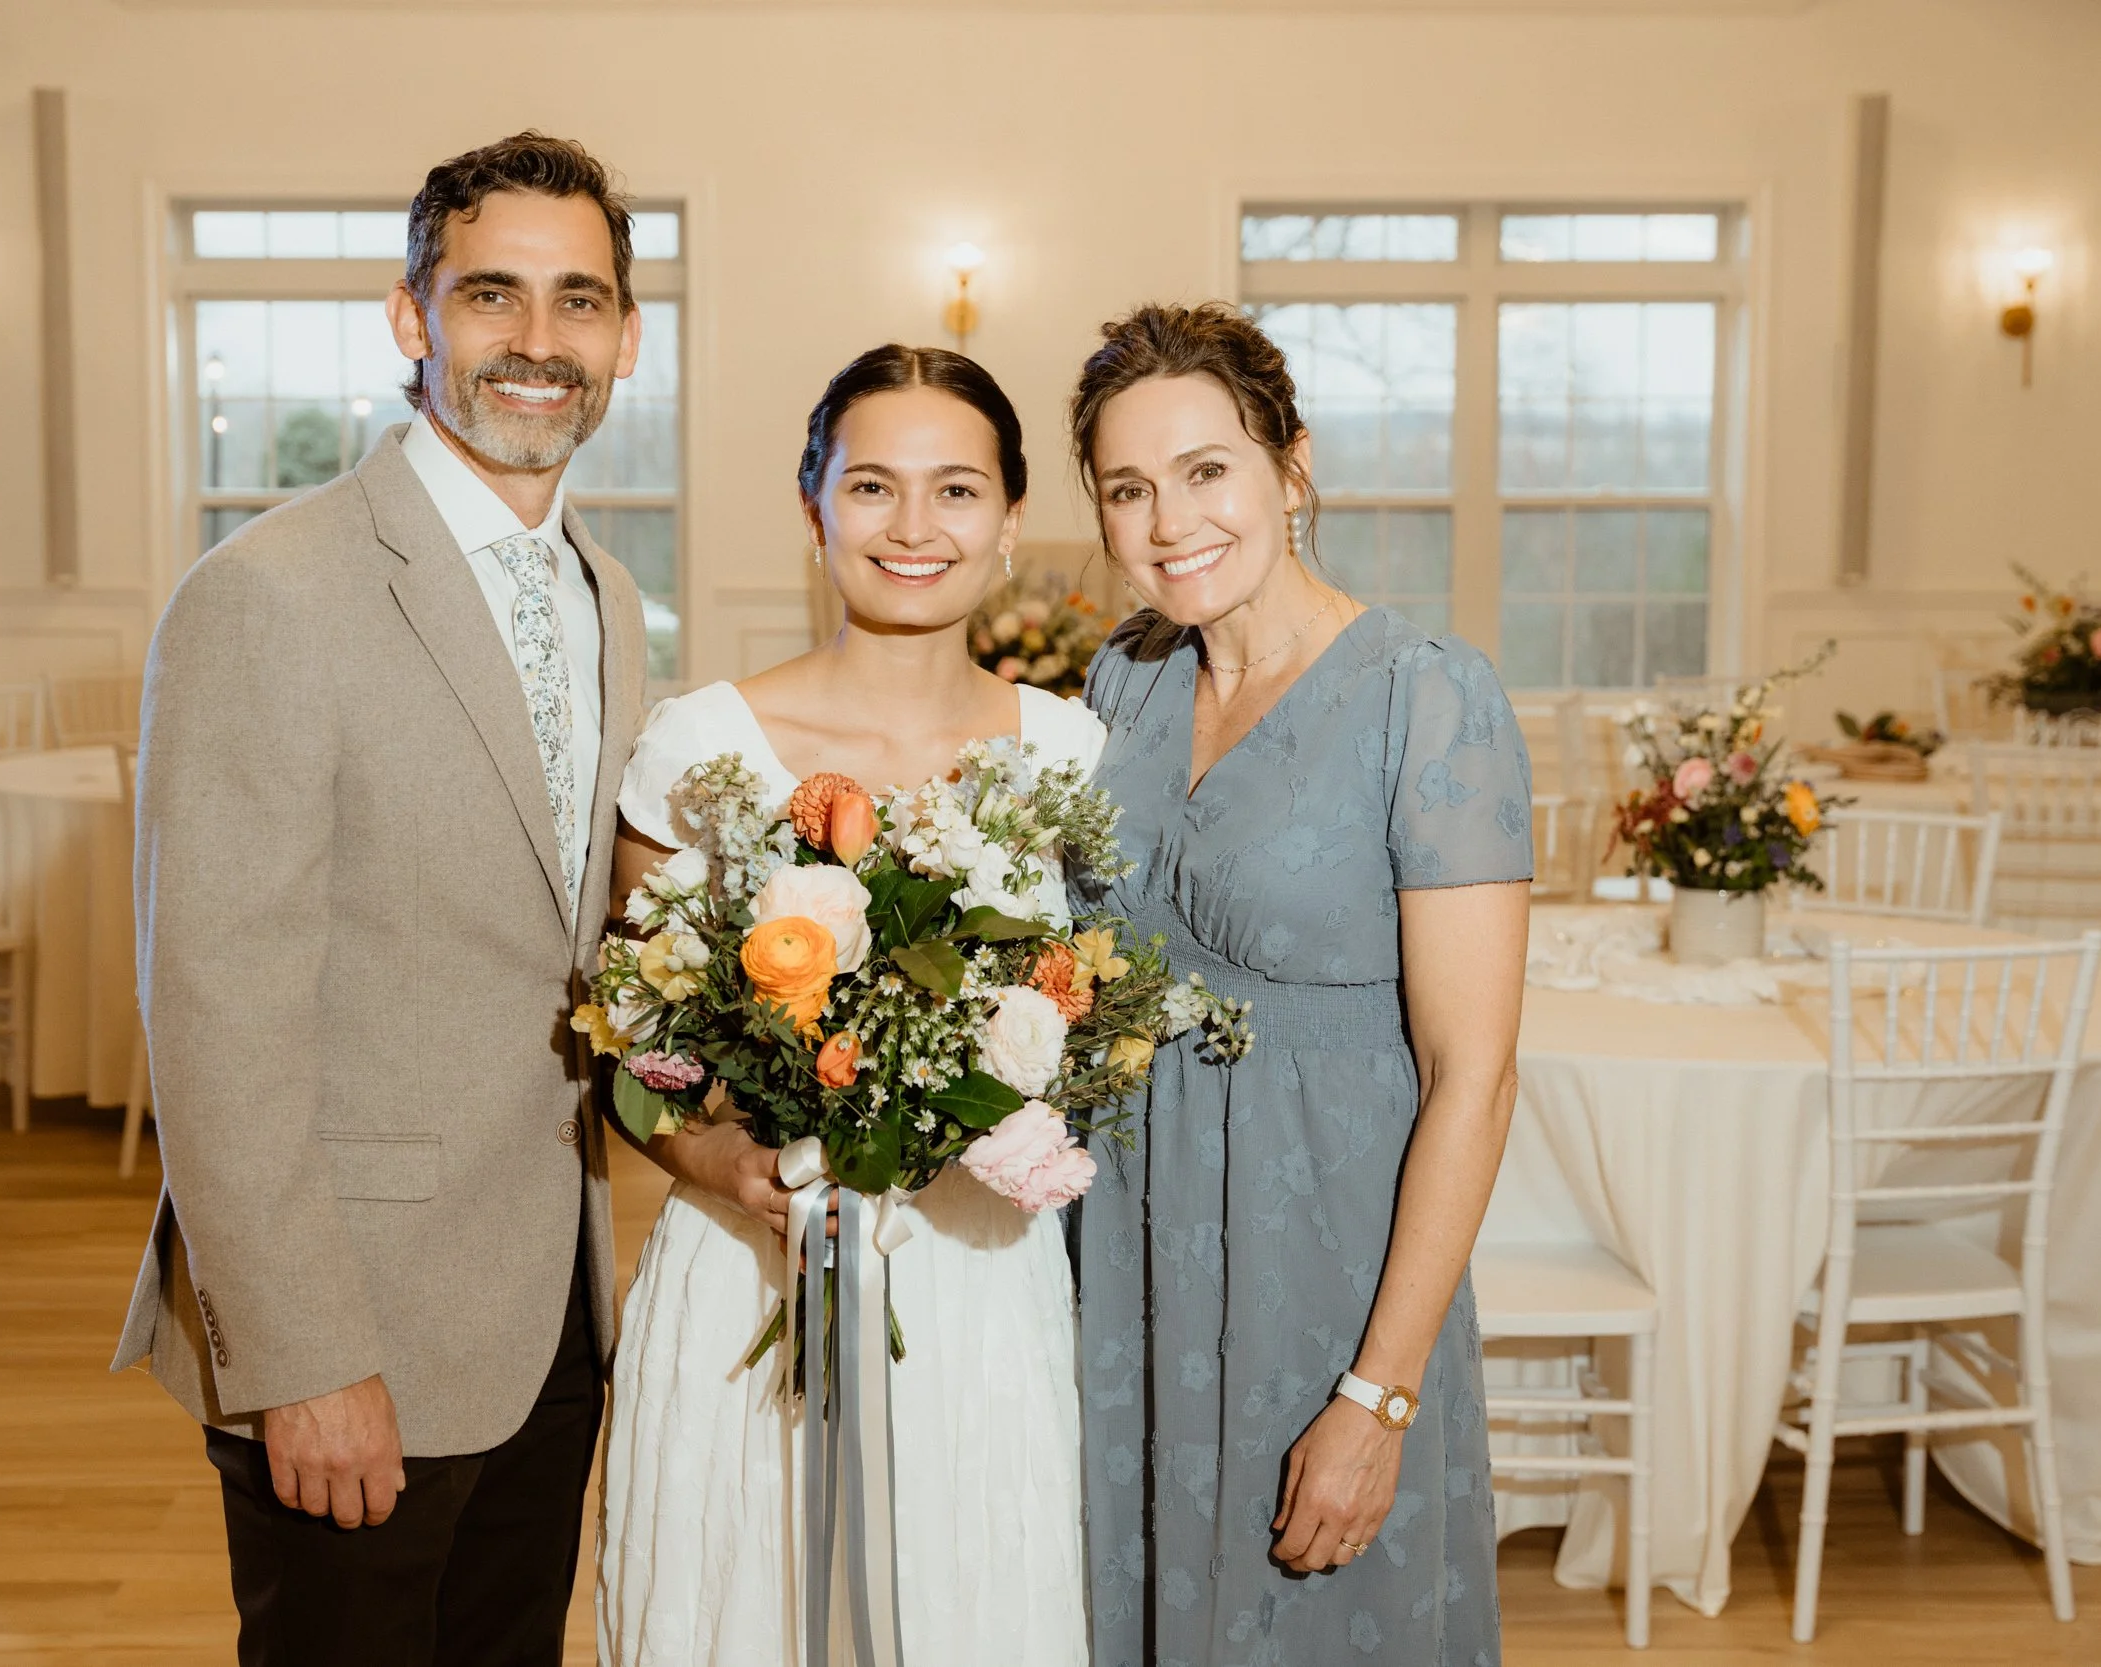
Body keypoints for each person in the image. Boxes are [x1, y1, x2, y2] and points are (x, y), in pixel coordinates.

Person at [111, 130, 652, 1667]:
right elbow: (215, 1014)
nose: (540, 344)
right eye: (494, 296)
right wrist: (303, 1354)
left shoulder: (607, 598)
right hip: (354, 1326)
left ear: (625, 334)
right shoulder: (268, 596)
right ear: (414, 317)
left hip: (550, 1306)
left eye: (580, 301)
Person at [594, 345, 1097, 1667]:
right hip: (751, 1277)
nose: (914, 528)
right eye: (872, 485)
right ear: (812, 503)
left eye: (956, 490)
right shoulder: (701, 746)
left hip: (984, 1285)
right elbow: (633, 1051)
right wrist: (727, 1158)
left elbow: (1097, 1002)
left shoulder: (1072, 751)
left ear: (1011, 521)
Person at [1065, 303, 1532, 1666]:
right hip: (1128, 1272)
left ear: (1292, 465)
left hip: (1326, 1277)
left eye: (1208, 470)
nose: (1170, 522)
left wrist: (1376, 1395)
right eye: (1129, 488)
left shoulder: (1427, 697)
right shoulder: (1124, 680)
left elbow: (1474, 1079)